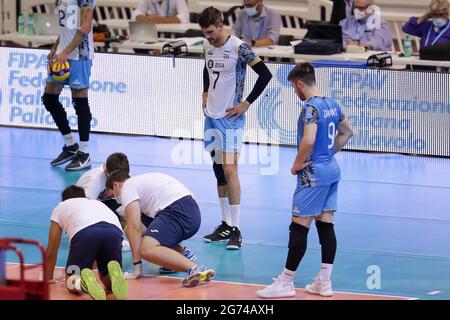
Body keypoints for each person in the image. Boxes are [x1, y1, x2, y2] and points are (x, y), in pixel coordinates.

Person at [256, 63, 353, 299]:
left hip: (313, 174)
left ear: (300, 83)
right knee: (325, 224)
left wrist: (298, 163)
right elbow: (348, 131)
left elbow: (308, 140)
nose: (294, 92)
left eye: (293, 87)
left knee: (299, 226)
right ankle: (324, 281)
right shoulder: (331, 103)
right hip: (331, 169)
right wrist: (328, 154)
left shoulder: (310, 108)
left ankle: (286, 281)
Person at [199, 7, 272, 250]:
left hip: (230, 119)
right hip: (210, 116)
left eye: (211, 31)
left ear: (221, 25)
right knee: (218, 170)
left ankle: (237, 230)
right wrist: (205, 92)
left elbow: (265, 74)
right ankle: (225, 224)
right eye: (205, 32)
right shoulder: (207, 45)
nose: (208, 36)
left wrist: (246, 103)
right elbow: (207, 70)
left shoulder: (239, 47)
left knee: (230, 170)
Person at [106, 171, 215, 287]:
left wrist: (137, 267)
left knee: (146, 249)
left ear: (115, 185)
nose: (115, 199)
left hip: (178, 211)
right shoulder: (140, 184)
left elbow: (135, 228)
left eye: (112, 195)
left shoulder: (127, 186)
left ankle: (196, 268)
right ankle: (181, 253)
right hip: (186, 210)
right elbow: (133, 227)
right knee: (128, 228)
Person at [45, 185, 128, 300]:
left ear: (64, 200)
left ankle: (83, 283)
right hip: (115, 232)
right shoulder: (97, 203)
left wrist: (48, 278)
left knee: (71, 282)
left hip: (86, 232)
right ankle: (114, 277)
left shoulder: (61, 207)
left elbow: (52, 250)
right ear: (84, 197)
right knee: (107, 281)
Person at [42, 0, 96, 171]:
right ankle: (71, 145)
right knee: (49, 98)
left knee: (79, 100)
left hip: (80, 55)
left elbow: (86, 26)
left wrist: (65, 52)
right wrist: (55, 48)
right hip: (62, 55)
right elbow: (66, 28)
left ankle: (85, 153)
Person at [75, 152, 131, 251]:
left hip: (103, 204)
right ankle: (112, 242)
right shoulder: (93, 181)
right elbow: (84, 210)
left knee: (132, 214)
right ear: (106, 170)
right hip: (81, 211)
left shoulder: (119, 173)